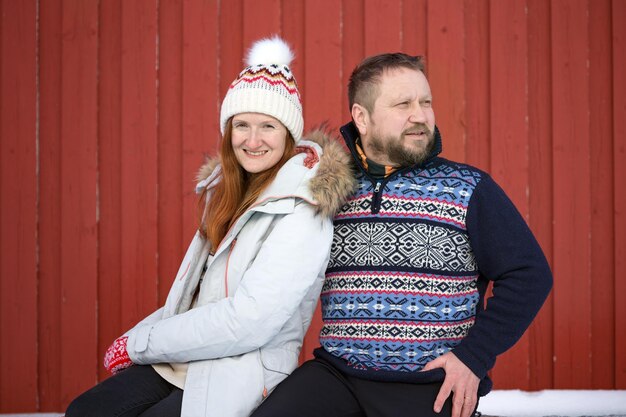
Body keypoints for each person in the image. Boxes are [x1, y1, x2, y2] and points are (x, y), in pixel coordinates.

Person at [250, 53, 553, 417]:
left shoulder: (467, 188)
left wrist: (472, 358)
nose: (421, 115)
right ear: (362, 117)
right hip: (338, 375)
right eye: (403, 104)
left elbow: (528, 273)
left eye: (426, 102)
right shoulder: (328, 186)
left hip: (428, 385)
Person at [65, 36, 354, 417]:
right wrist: (138, 337)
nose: (252, 140)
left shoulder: (304, 209)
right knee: (86, 411)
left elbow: (248, 321)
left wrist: (141, 344)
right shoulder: (225, 193)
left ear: (288, 135)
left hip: (241, 368)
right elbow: (192, 299)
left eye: (267, 126)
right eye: (242, 125)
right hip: (186, 359)